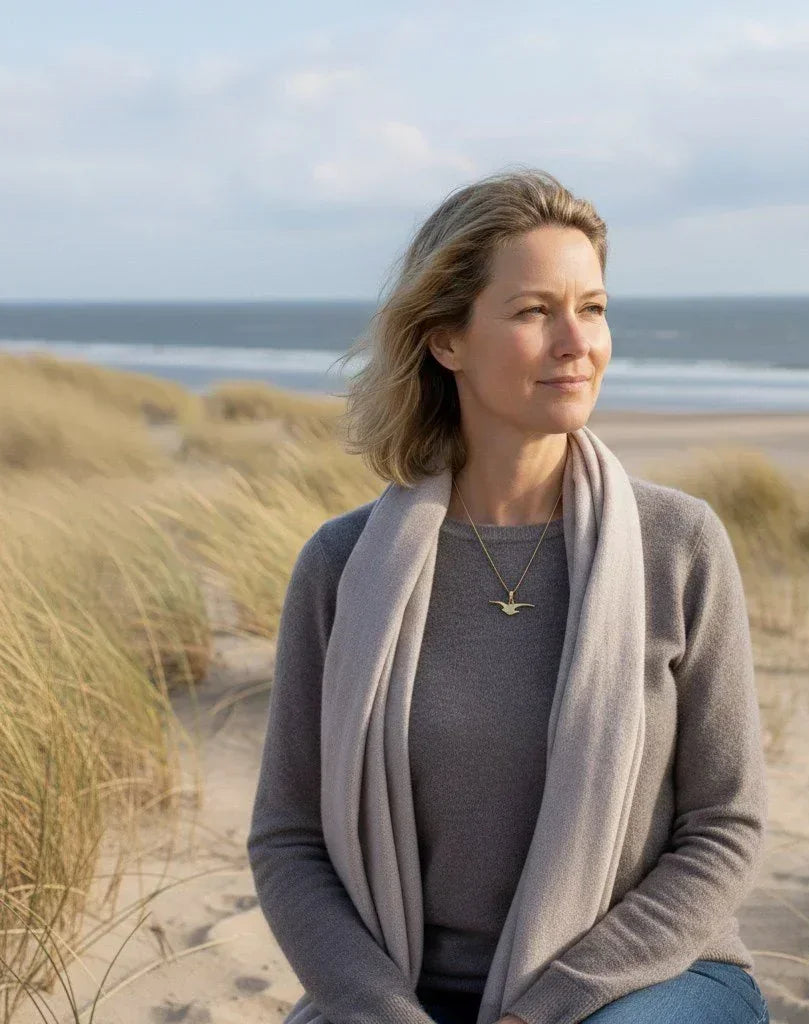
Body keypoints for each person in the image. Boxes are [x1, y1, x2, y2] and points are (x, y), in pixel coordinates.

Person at [247, 167, 770, 1024]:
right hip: (408, 992)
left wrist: (544, 1010)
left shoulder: (679, 545)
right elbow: (289, 841)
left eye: (592, 308)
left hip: (646, 981)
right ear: (446, 339)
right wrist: (383, 1011)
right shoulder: (342, 567)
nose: (577, 342)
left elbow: (726, 826)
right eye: (534, 312)